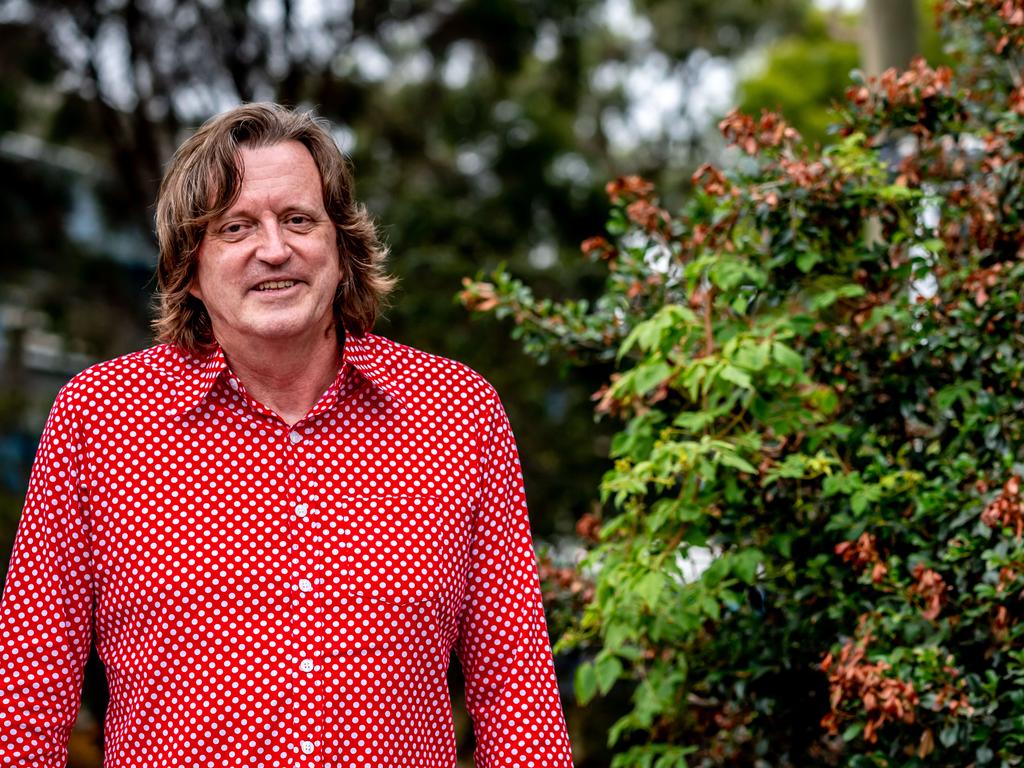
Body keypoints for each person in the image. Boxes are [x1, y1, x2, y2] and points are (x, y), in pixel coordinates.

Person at [0, 103, 573, 767]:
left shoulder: (455, 413)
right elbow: (28, 692)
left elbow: (517, 693)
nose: (274, 249)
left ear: (341, 245)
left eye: (298, 220)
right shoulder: (100, 419)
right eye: (235, 227)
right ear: (190, 266)